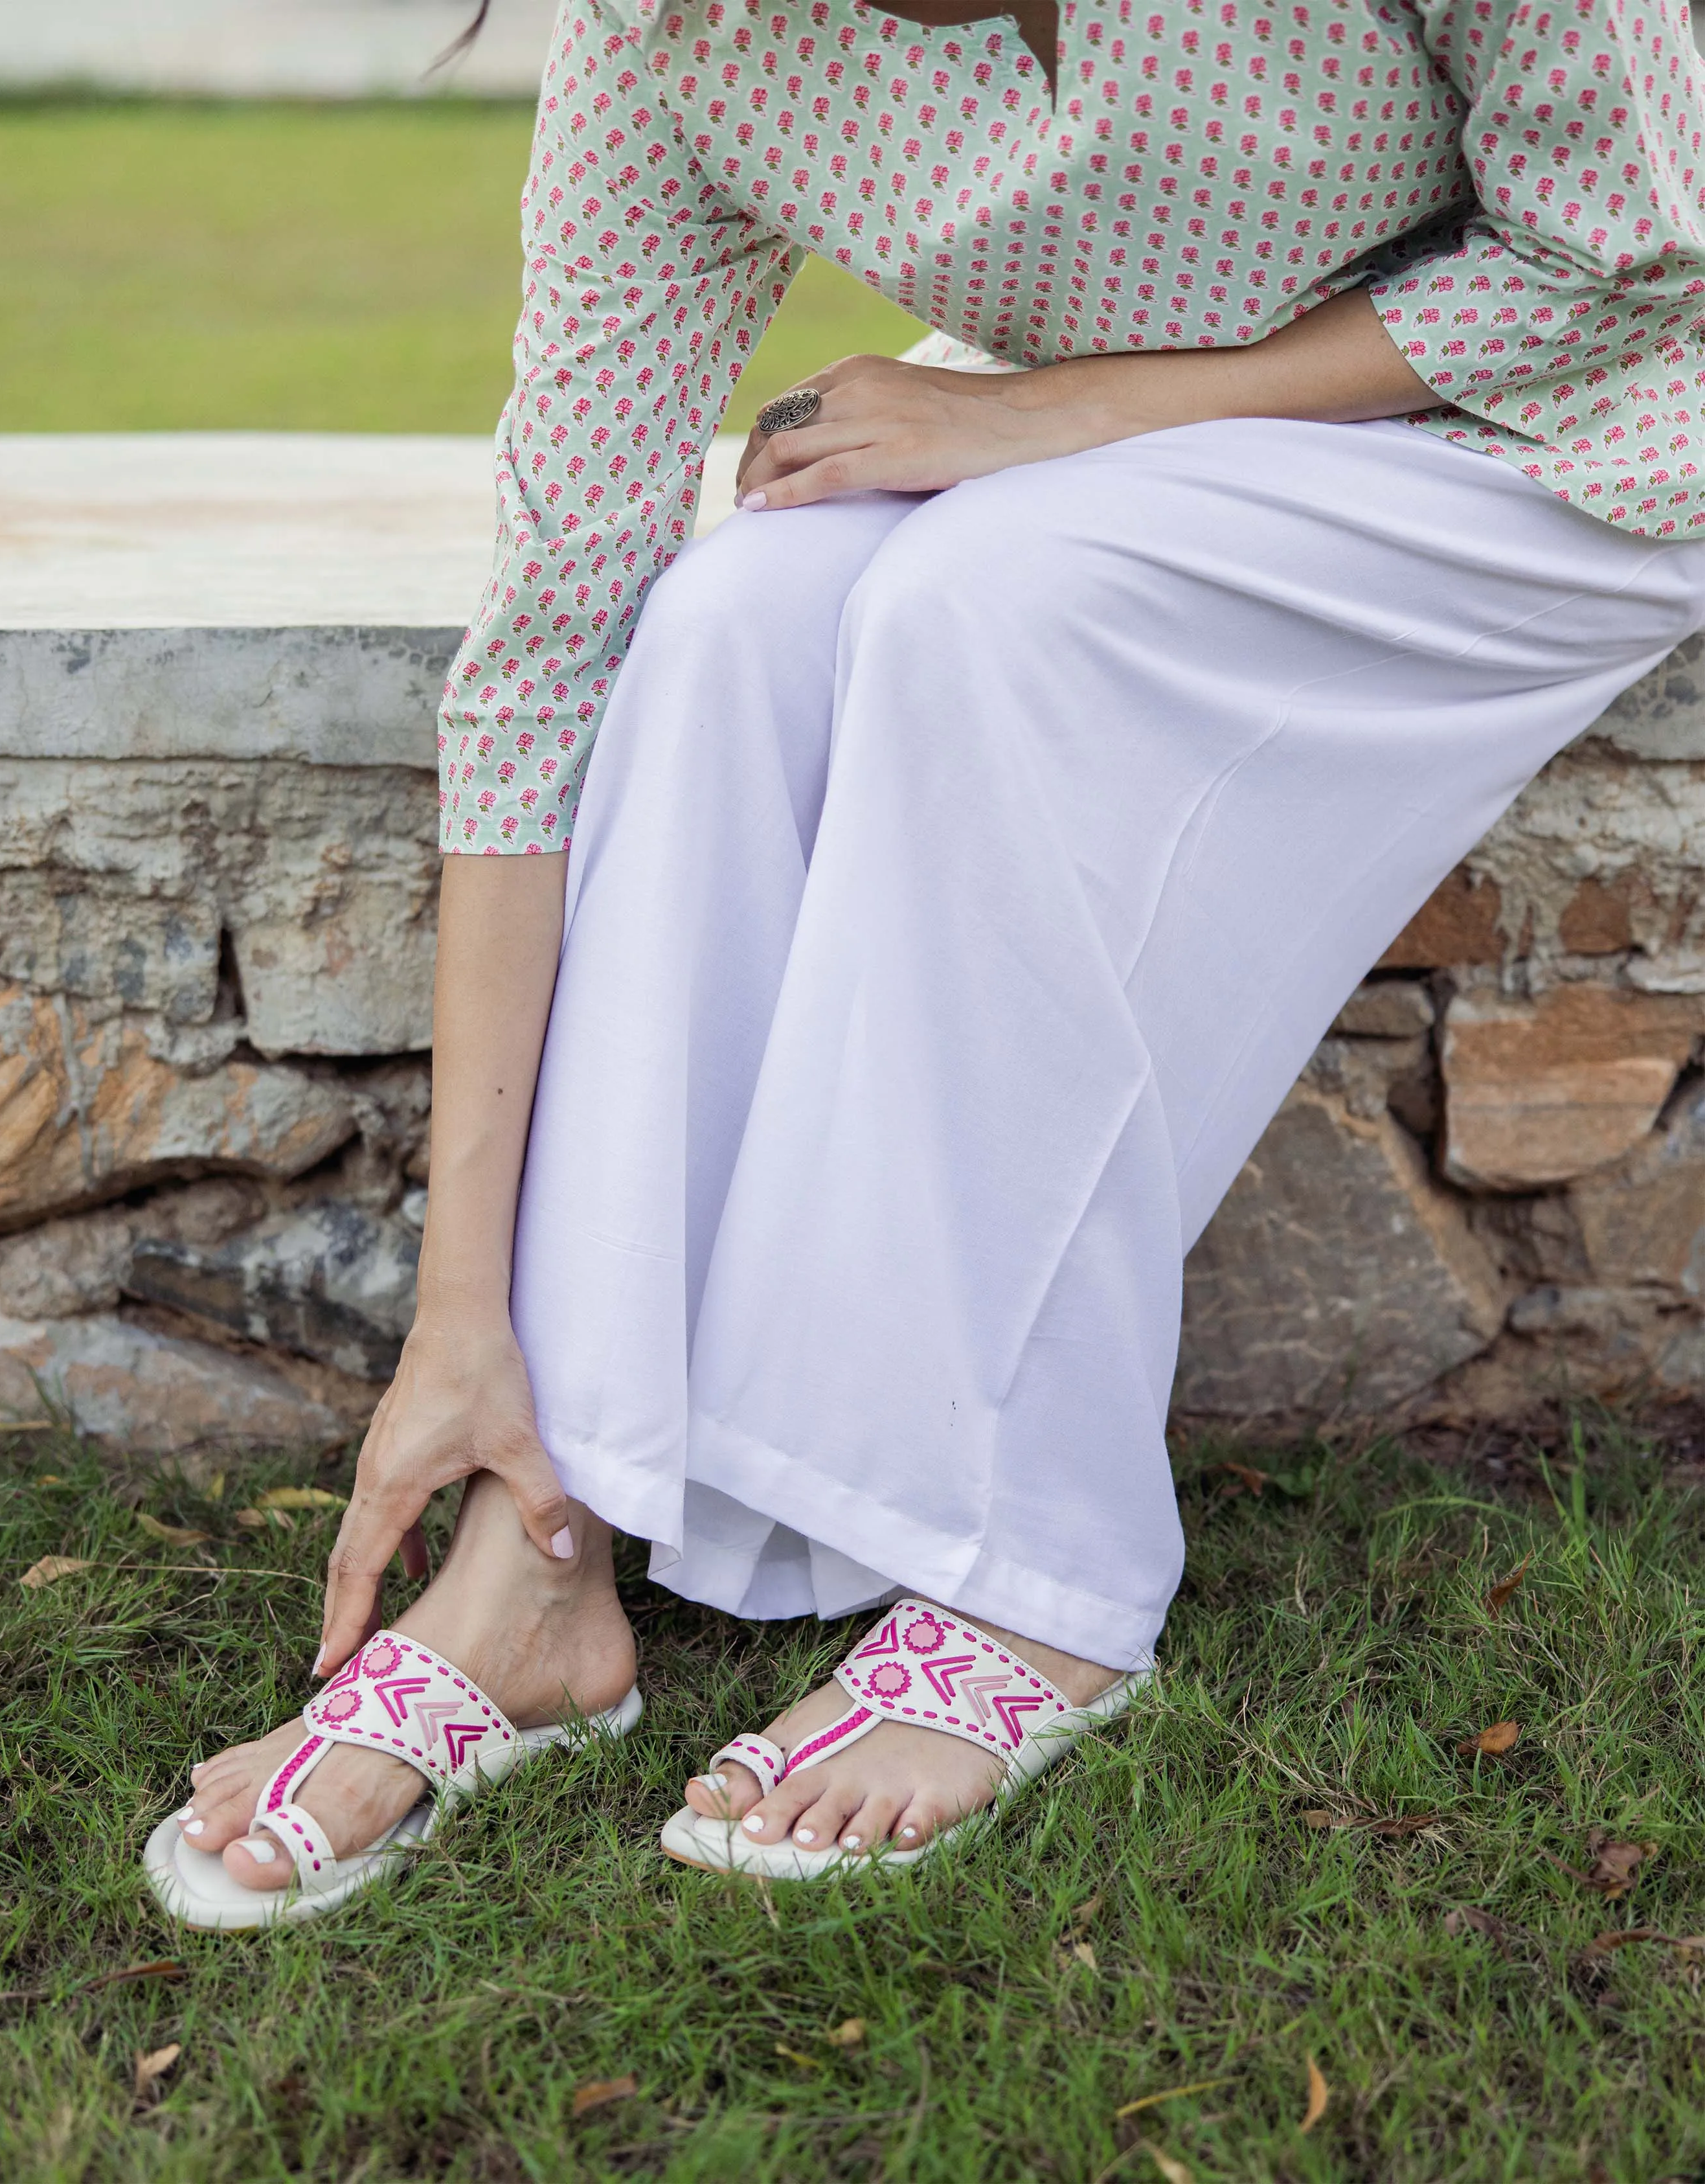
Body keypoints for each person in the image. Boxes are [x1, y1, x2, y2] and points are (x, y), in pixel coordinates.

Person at [147, 0, 1705, 1918]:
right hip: (1140, 453)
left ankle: (1037, 1571)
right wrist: (460, 1312)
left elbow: (1623, 260)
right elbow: (554, 641)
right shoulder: (673, 35)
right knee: (721, 625)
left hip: (1579, 434)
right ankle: (535, 1553)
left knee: (982, 600)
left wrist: (1044, 414)